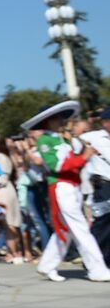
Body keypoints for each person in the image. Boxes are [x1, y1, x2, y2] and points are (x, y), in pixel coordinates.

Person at [25, 101, 110, 282]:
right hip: (62, 186)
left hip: (74, 186)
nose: (61, 121)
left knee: (65, 230)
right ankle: (98, 270)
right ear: (48, 121)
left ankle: (47, 265)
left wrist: (83, 155)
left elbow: (72, 162)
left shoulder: (63, 139)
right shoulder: (45, 140)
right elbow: (56, 165)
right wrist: (84, 157)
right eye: (57, 118)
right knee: (80, 229)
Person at [81, 106, 110, 262]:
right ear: (105, 122)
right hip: (103, 185)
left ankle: (105, 260)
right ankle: (92, 259)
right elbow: (75, 145)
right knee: (102, 222)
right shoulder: (93, 137)